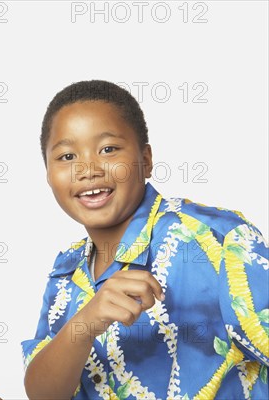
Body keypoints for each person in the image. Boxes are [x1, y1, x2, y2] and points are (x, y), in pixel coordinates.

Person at [22, 80, 268, 399]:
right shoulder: (65, 272)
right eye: (67, 156)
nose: (87, 169)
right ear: (48, 175)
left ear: (147, 159)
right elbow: (44, 394)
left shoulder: (217, 238)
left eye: (108, 149)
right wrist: (86, 321)